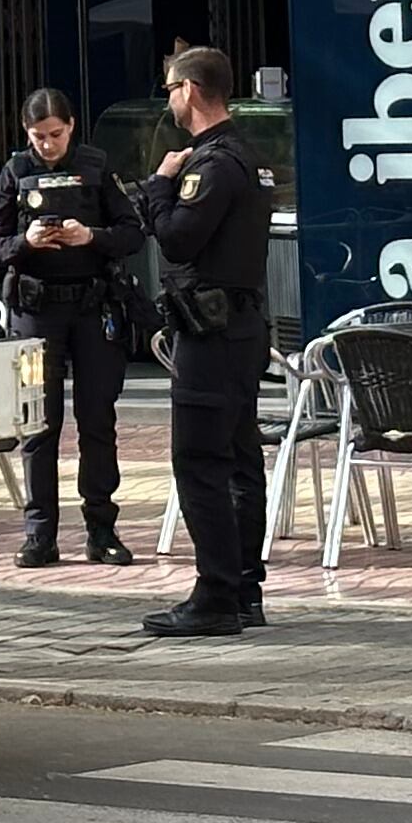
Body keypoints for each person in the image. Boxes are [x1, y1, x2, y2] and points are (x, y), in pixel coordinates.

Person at [132, 46, 270, 640]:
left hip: (210, 334)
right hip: (241, 329)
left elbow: (179, 241)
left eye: (169, 88)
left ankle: (216, 594)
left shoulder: (208, 166)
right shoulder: (249, 155)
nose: (168, 99)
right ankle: (244, 589)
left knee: (202, 464)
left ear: (189, 90)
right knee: (240, 461)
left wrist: (158, 187)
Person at [0, 87, 143, 567]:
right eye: (38, 136)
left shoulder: (95, 167)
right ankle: (40, 535)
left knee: (97, 420)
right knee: (39, 425)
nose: (48, 144)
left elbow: (133, 232)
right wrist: (25, 243)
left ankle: (101, 530)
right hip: (36, 311)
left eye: (55, 134)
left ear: (71, 126)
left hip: (92, 307)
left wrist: (90, 235)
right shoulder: (15, 172)